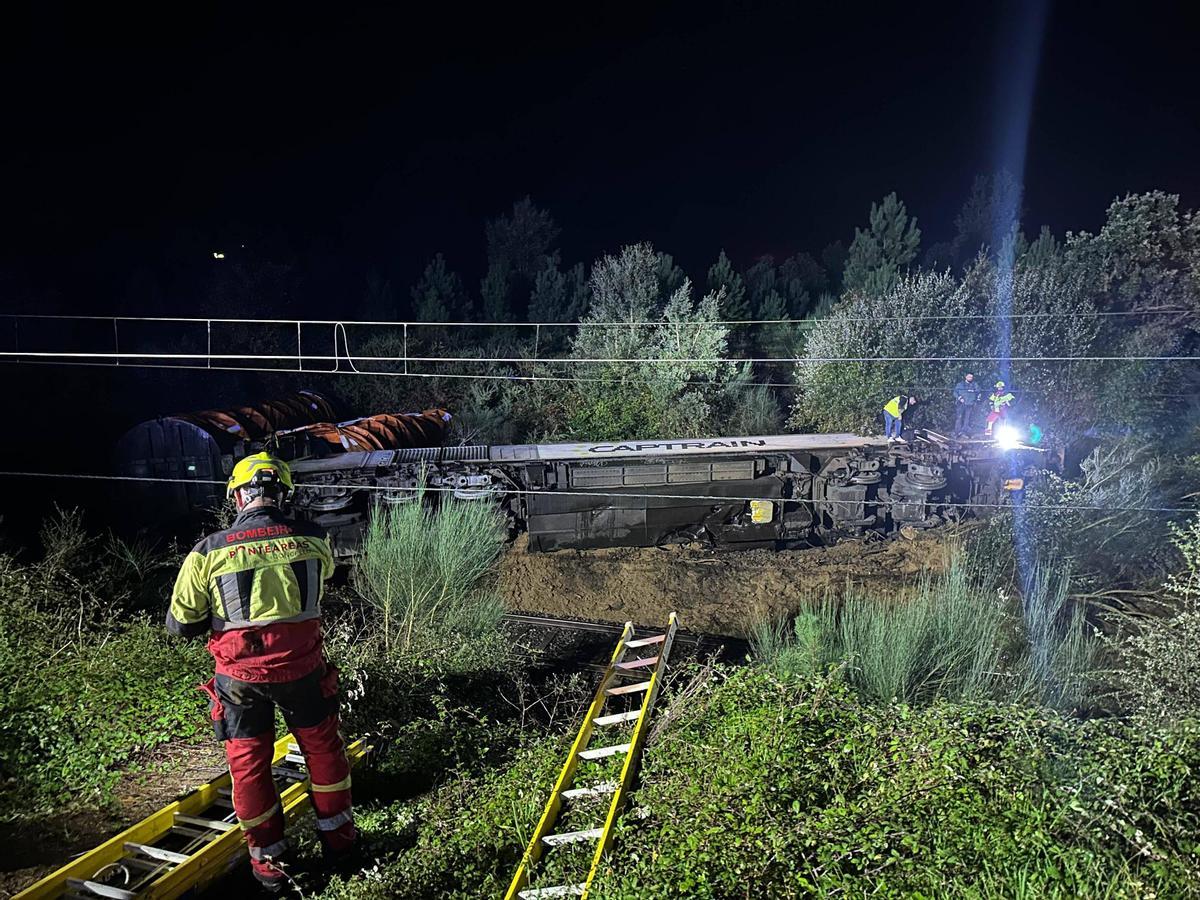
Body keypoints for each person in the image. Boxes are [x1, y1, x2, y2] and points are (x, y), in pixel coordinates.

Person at [167, 453, 354, 892]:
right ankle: (342, 849)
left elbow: (181, 622)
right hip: (303, 672)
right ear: (283, 495)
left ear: (237, 496)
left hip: (240, 682)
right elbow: (327, 579)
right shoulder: (313, 540)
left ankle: (271, 870)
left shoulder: (208, 552)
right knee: (324, 754)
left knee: (250, 767)